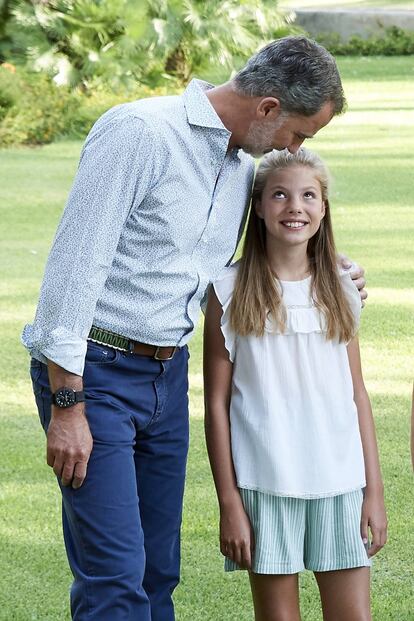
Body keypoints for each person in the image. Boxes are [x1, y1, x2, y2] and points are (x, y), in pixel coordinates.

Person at [22, 36, 366, 621]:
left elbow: (253, 258)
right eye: (299, 134)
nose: (294, 147)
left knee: (159, 573)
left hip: (166, 376)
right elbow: (73, 271)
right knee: (115, 579)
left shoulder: (239, 168)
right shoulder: (139, 133)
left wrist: (327, 270)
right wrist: (67, 404)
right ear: (268, 109)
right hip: (95, 376)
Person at [204, 147, 387, 621]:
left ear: (323, 208)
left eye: (308, 196)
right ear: (259, 205)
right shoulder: (228, 291)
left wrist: (374, 493)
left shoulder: (342, 288)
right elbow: (217, 404)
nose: (294, 207)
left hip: (339, 481)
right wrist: (230, 503)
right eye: (280, 195)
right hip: (265, 485)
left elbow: (357, 394)